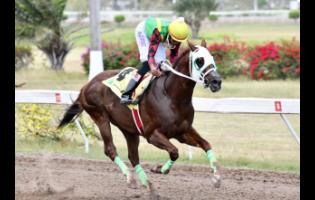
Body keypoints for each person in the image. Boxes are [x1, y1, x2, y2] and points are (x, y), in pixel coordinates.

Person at [120, 16, 190, 104]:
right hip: (144, 31)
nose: (175, 43)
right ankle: (126, 94)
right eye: (173, 40)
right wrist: (152, 67)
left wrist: (174, 70)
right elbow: (150, 55)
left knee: (161, 63)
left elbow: (174, 56)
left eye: (178, 41)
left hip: (160, 36)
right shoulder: (159, 32)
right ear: (170, 34)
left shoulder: (178, 37)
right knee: (147, 64)